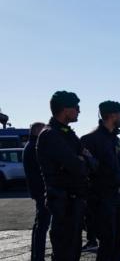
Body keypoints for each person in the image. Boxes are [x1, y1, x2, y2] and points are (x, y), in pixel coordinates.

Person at [36, 91, 91, 261]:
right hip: (63, 203)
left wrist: (83, 160)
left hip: (73, 202)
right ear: (65, 109)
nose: (79, 111)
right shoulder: (51, 134)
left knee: (74, 251)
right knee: (64, 253)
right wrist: (82, 160)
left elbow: (91, 162)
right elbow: (77, 166)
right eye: (76, 107)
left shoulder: (68, 133)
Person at [81, 101, 120, 261]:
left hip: (119, 196)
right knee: (107, 242)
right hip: (102, 199)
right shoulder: (90, 139)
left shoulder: (115, 139)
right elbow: (87, 172)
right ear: (112, 115)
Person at [23, 122, 50, 261]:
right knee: (42, 225)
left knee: (40, 224)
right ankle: (38, 256)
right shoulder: (35, 147)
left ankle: (36, 256)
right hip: (41, 190)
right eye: (44, 130)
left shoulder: (30, 145)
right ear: (37, 131)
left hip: (36, 190)